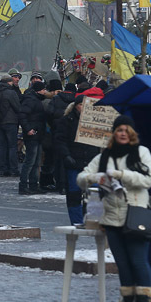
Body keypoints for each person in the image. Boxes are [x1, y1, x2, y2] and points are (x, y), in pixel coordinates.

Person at [78, 115, 151, 302]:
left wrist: (122, 174)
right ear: (114, 133)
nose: (122, 133)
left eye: (126, 130)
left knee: (138, 261)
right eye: (119, 130)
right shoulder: (105, 156)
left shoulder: (141, 153)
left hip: (135, 215)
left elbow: (148, 180)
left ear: (132, 134)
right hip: (112, 219)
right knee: (123, 264)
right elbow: (81, 178)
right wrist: (96, 178)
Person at [54, 95, 100, 223]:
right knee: (74, 194)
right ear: (76, 106)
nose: (83, 107)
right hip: (74, 162)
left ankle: (93, 220)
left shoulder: (94, 122)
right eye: (81, 105)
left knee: (95, 193)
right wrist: (66, 155)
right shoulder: (66, 121)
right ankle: (77, 222)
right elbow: (60, 140)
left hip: (91, 163)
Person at [17, 81, 48, 195]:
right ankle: (24, 185)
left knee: (36, 161)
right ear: (39, 90)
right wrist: (28, 129)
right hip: (33, 134)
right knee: (30, 161)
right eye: (44, 90)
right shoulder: (31, 100)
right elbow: (22, 115)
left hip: (37, 133)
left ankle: (34, 185)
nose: (45, 92)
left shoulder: (36, 99)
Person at [0, 75, 20, 177]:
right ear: (9, 82)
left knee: (2, 146)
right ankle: (13, 169)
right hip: (10, 121)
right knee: (12, 146)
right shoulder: (10, 92)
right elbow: (17, 107)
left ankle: (3, 169)